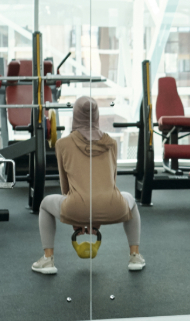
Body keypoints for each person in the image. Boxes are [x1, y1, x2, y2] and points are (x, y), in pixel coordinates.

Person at [31, 96, 145, 274]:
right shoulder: (111, 143)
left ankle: (48, 260)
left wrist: (78, 218)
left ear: (75, 115)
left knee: (45, 205)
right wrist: (95, 219)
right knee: (130, 200)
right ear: (97, 115)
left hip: (76, 206)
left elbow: (65, 188)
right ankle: (135, 256)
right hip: (112, 205)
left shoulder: (63, 144)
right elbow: (110, 183)